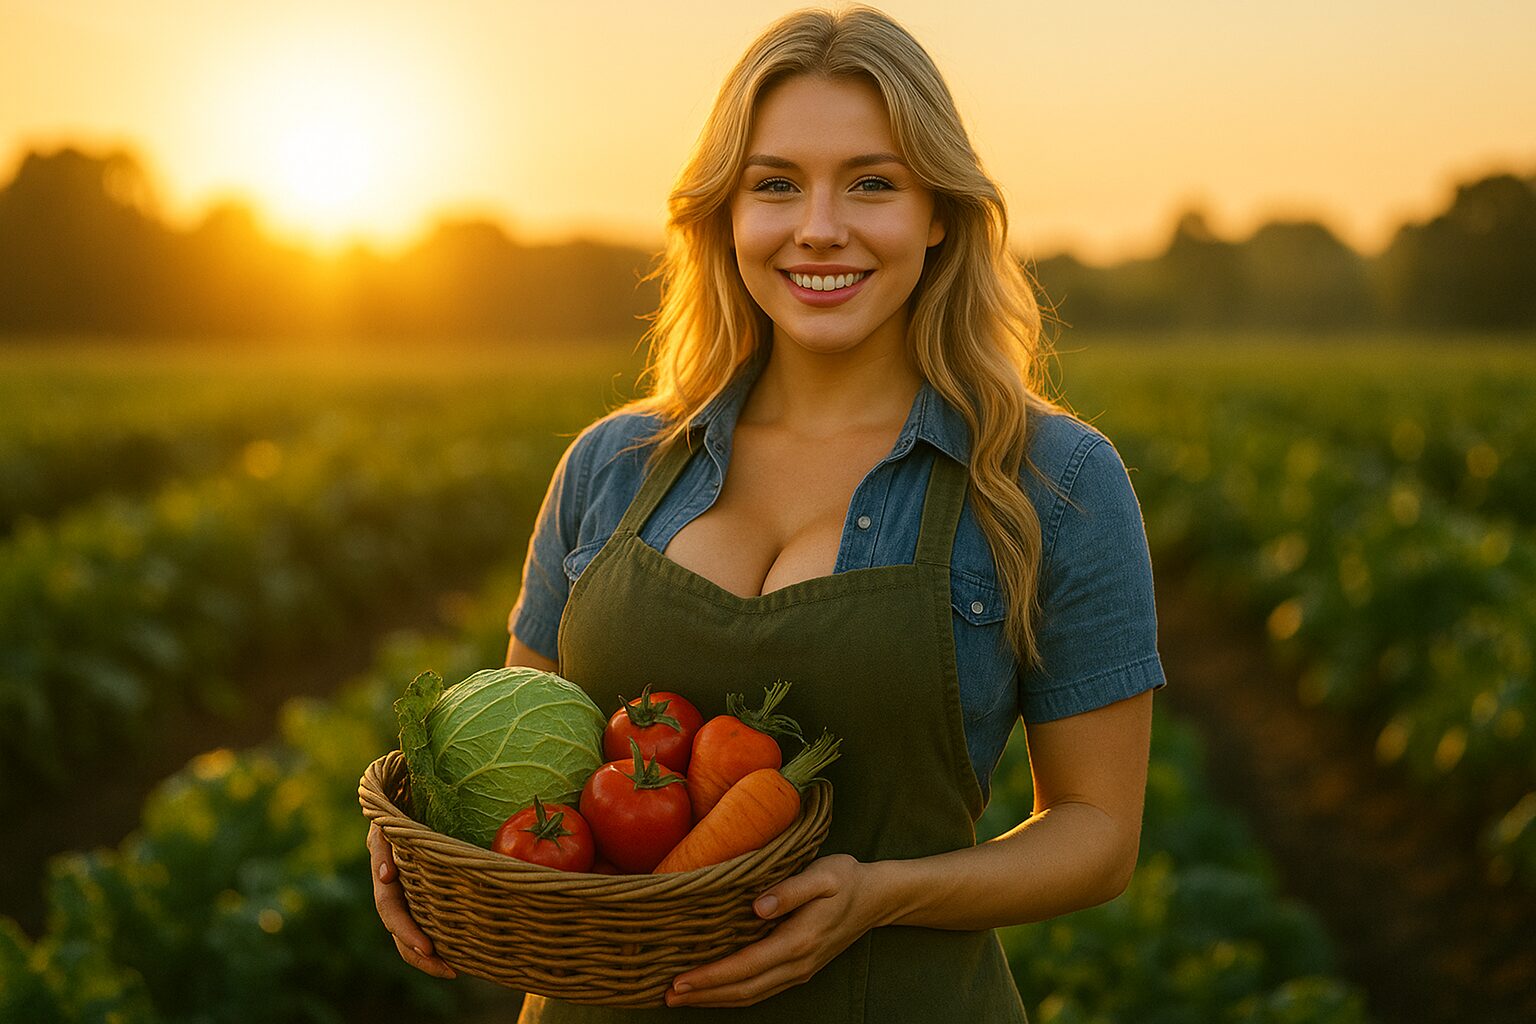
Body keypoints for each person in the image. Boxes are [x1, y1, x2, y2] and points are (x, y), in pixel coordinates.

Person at [369, 6, 1163, 1021]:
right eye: (775, 184)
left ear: (939, 213)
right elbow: (522, 768)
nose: (818, 225)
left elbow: (1098, 831)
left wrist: (881, 895)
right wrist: (423, 840)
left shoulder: (1051, 479)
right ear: (724, 215)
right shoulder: (614, 465)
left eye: (872, 182)